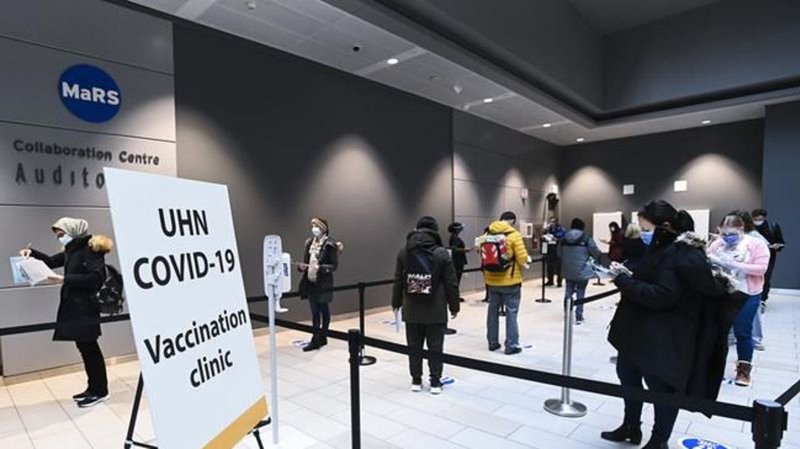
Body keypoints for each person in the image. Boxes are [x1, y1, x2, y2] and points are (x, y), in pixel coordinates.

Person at [601, 201, 702, 449]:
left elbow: (663, 295)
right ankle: (631, 426)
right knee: (627, 375)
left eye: (646, 229)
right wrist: (628, 273)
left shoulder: (679, 253)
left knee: (660, 389)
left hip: (661, 335)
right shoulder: (658, 247)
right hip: (636, 330)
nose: (643, 234)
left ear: (665, 226)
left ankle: (659, 440)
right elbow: (649, 276)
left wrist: (623, 281)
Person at [20, 217, 113, 408]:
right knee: (85, 348)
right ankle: (93, 388)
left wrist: (65, 279)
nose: (60, 238)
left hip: (86, 308)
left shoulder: (90, 249)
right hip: (75, 307)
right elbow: (50, 261)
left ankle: (101, 391)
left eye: (62, 234)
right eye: (58, 235)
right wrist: (32, 253)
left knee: (90, 349)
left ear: (73, 231)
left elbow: (96, 278)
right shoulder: (72, 250)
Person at [392, 216, 460, 394]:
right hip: (435, 308)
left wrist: (396, 303)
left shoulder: (404, 252)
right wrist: (454, 306)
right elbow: (451, 283)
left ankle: (416, 380)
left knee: (414, 346)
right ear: (435, 231)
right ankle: (435, 382)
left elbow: (398, 280)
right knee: (435, 346)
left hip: (411, 307)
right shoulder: (441, 253)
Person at [707, 214, 769, 386]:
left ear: (741, 229)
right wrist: (713, 261)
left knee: (743, 331)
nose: (727, 238)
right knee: (719, 332)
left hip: (747, 292)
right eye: (724, 234)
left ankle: (743, 370)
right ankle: (715, 368)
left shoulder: (756, 244)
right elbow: (707, 260)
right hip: (722, 293)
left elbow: (761, 269)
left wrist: (735, 265)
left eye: (732, 234)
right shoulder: (718, 244)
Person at [479, 211, 530, 355]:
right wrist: (526, 260)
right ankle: (511, 345)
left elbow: (482, 256)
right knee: (511, 313)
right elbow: (522, 258)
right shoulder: (514, 235)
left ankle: (492, 342)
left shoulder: (486, 235)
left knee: (492, 313)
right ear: (512, 221)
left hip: (492, 281)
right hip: (510, 281)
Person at [298, 218, 341, 352]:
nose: (314, 228)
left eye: (316, 226)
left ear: (323, 228)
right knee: (315, 312)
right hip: (310, 281)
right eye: (312, 226)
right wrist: (301, 267)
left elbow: (334, 266)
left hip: (323, 283)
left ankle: (321, 336)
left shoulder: (330, 244)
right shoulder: (309, 243)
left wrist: (320, 267)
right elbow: (306, 262)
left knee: (324, 310)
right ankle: (316, 338)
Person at [558, 218, 601, 324]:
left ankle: (567, 313)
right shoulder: (586, 238)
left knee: (568, 292)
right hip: (582, 270)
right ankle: (579, 315)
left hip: (568, 270)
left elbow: (559, 253)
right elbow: (595, 251)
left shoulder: (563, 238)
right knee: (581, 292)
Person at [751, 208, 785, 306]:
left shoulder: (772, 227)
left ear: (764, 218)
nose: (757, 221)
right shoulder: (749, 227)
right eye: (755, 219)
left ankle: (762, 299)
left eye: (760, 219)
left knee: (765, 277)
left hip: (768, 256)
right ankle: (752, 298)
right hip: (751, 256)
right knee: (751, 277)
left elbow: (781, 242)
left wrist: (777, 246)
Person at [447, 222, 471, 302]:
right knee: (456, 280)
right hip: (457, 261)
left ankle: (455, 296)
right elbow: (454, 249)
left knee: (456, 279)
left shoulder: (453, 237)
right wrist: (465, 250)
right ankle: (454, 297)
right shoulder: (455, 238)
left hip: (457, 261)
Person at [544, 217, 566, 287]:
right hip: (550, 250)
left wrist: (555, 238)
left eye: (553, 221)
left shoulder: (561, 229)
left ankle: (559, 282)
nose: (551, 223)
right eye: (550, 221)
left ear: (556, 222)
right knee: (549, 266)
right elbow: (545, 237)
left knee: (559, 267)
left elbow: (562, 237)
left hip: (558, 250)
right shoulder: (548, 229)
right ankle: (550, 280)